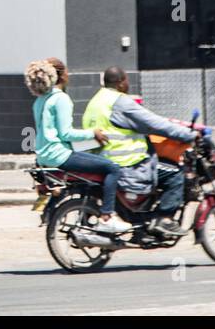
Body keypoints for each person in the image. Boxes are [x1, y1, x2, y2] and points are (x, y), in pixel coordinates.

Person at [82, 66, 205, 236]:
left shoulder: (96, 100)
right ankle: (165, 219)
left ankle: (144, 221)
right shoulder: (120, 102)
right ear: (120, 82)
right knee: (175, 173)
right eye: (126, 80)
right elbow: (154, 123)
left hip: (102, 162)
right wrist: (188, 135)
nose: (128, 84)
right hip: (127, 164)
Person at [26, 57, 129, 234]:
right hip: (60, 155)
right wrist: (93, 133)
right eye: (66, 71)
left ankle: (87, 214)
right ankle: (107, 217)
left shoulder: (40, 100)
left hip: (44, 157)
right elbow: (66, 133)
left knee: (91, 174)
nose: (69, 74)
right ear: (61, 75)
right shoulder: (61, 99)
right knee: (112, 168)